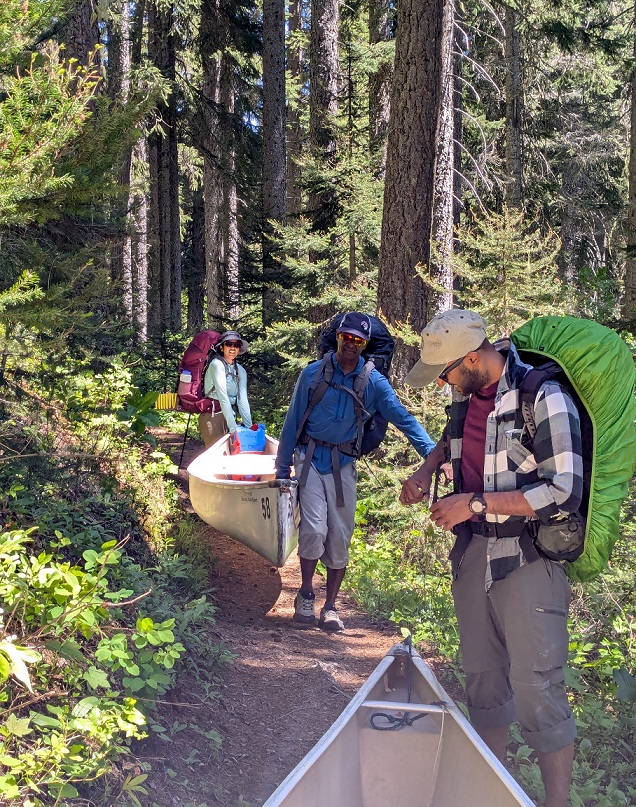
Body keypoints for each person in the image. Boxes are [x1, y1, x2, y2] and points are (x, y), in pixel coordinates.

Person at [400, 308, 583, 807]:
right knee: (483, 682)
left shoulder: (543, 396)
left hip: (528, 557)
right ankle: (490, 793)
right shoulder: (465, 402)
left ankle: (556, 803)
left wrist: (474, 503)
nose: (443, 383)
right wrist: (424, 472)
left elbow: (565, 490)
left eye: (446, 372)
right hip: (473, 554)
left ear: (474, 358)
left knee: (537, 688)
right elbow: (449, 444)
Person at [275, 312, 435, 632]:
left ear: (365, 345)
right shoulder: (313, 374)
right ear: (337, 337)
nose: (351, 344)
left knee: (339, 539)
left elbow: (403, 419)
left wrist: (432, 454)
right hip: (308, 459)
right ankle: (306, 593)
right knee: (314, 530)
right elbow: (293, 420)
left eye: (358, 340)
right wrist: (282, 467)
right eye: (346, 337)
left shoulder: (373, 382)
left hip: (343, 464)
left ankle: (331, 607)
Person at [198, 331, 253, 447]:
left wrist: (250, 427)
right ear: (222, 348)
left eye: (236, 345)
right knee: (216, 455)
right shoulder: (216, 365)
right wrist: (233, 429)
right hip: (213, 416)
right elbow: (222, 397)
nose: (233, 348)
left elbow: (242, 399)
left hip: (228, 415)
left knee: (229, 455)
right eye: (229, 344)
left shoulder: (240, 370)